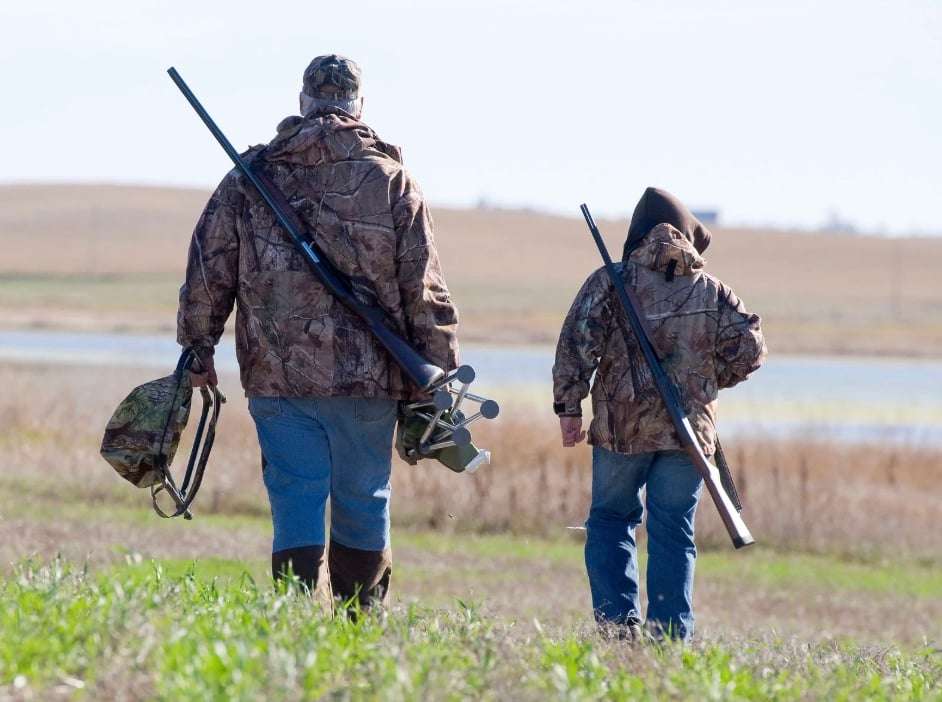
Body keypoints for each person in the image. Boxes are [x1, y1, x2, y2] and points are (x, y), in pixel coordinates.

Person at [177, 54, 460, 614]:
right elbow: (423, 289)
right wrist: (438, 370)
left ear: (303, 101)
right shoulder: (392, 180)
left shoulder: (250, 175)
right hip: (368, 381)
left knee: (295, 499)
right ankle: (359, 627)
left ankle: (296, 621)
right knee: (363, 499)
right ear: (359, 105)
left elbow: (208, 268)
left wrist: (198, 346)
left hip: (277, 376)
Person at [552, 187, 766, 642]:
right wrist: (707, 382)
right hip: (688, 438)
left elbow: (576, 347)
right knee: (673, 532)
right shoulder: (712, 290)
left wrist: (569, 409)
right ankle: (670, 640)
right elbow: (751, 349)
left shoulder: (610, 279)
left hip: (620, 432)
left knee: (611, 521)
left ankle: (617, 631)